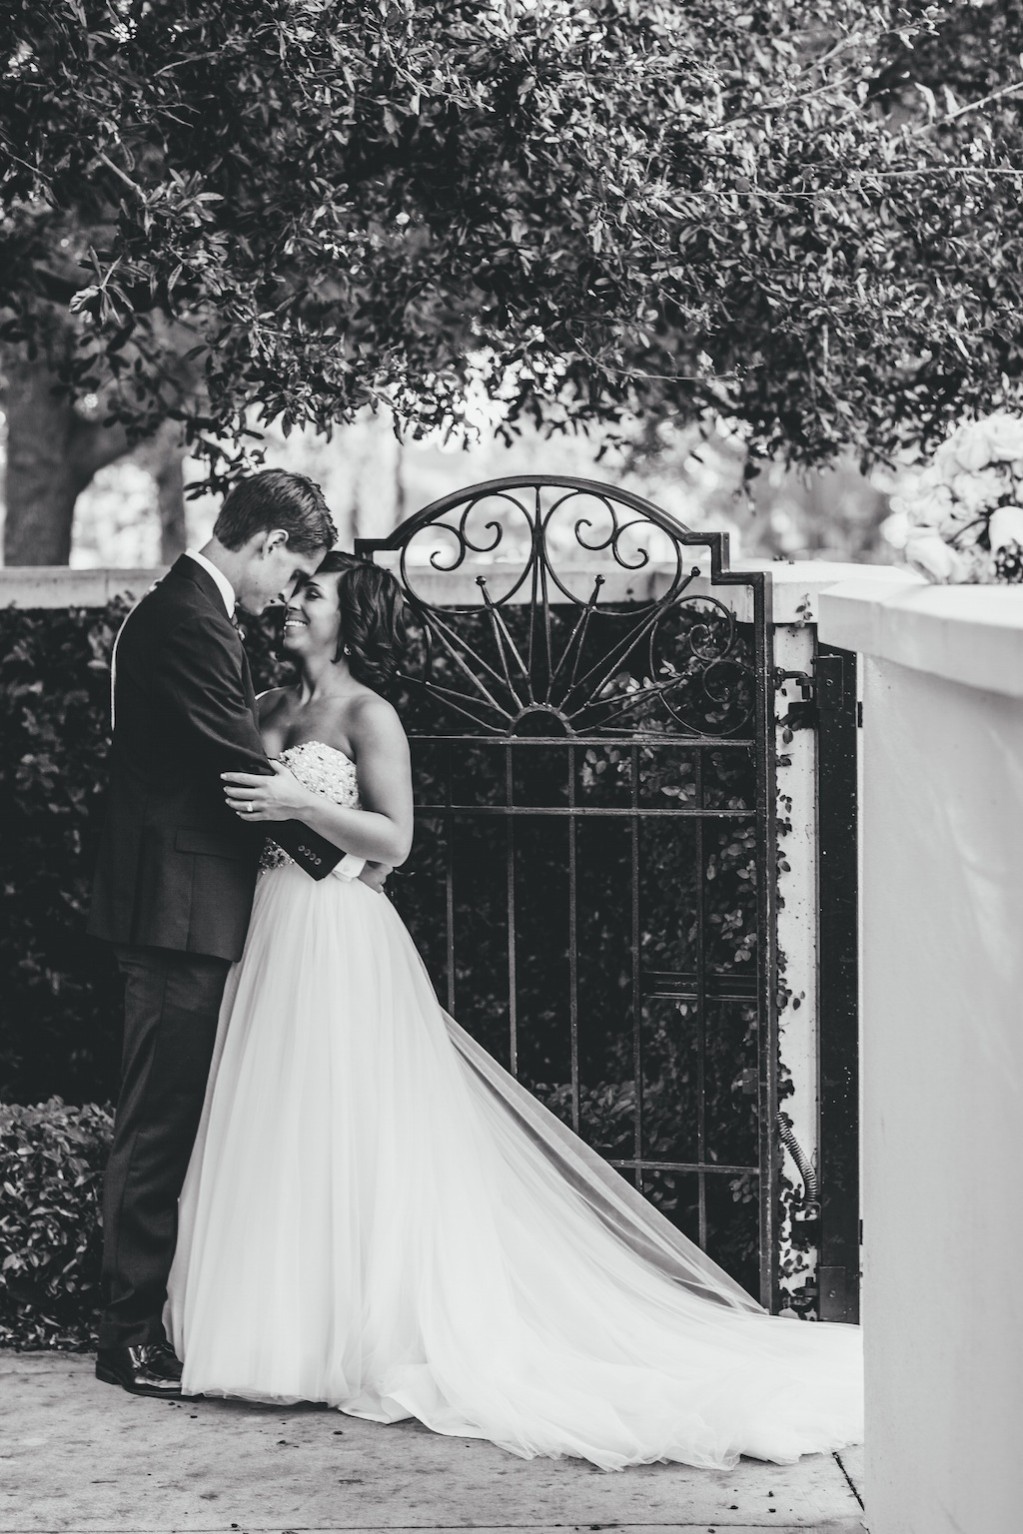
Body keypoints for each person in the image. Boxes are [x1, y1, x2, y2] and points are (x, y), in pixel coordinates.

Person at [165, 552, 863, 1471]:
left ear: (349, 619)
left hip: (337, 940)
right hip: (266, 931)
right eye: (287, 591)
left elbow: (395, 842)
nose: (289, 606)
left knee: (358, 1129)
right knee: (278, 1126)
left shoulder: (367, 714)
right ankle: (283, 1334)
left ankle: (368, 1331)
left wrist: (300, 800)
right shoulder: (257, 712)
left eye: (311, 595)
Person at [89, 471, 386, 1399]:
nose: (283, 594)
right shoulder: (189, 620)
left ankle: (142, 1322)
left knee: (175, 1115)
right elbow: (237, 768)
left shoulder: (188, 614)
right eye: (290, 569)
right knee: (159, 1120)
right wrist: (347, 872)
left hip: (189, 905)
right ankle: (129, 1334)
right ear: (261, 544)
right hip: (178, 910)